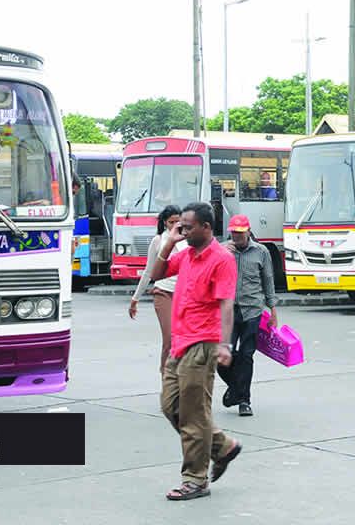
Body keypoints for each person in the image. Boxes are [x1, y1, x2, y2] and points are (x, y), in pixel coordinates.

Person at [145, 202, 244, 501]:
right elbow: (156, 274)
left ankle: (195, 479)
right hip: (180, 341)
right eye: (181, 227)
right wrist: (169, 242)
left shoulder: (221, 259)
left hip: (203, 343)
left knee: (193, 415)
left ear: (206, 227)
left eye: (188, 227)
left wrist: (225, 345)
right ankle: (221, 446)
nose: (183, 231)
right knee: (169, 406)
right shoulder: (186, 254)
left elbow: (226, 303)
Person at [218, 215, 277, 417]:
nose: (237, 236)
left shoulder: (261, 252)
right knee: (223, 357)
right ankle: (236, 388)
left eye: (240, 233)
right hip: (228, 310)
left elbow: (268, 281)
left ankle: (244, 400)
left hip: (252, 310)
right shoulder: (221, 250)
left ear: (249, 231)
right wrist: (220, 253)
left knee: (246, 355)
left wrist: (273, 311)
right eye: (234, 232)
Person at [130, 205, 187, 372]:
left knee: (184, 339)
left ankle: (181, 376)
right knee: (169, 338)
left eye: (179, 221)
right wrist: (135, 299)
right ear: (164, 223)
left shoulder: (187, 239)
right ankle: (166, 375)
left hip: (185, 293)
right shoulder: (158, 241)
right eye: (171, 222)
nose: (175, 225)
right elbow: (148, 272)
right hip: (163, 292)